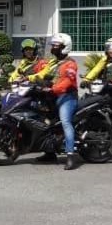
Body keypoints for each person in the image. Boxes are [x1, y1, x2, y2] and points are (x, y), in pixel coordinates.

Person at [28, 33, 79, 170]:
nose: (53, 48)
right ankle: (49, 153)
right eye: (53, 45)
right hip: (52, 97)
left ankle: (70, 156)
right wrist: (27, 79)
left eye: (56, 45)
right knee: (45, 123)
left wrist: (53, 89)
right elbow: (42, 74)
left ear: (65, 47)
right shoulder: (53, 63)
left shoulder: (70, 64)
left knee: (65, 122)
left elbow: (67, 82)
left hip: (67, 97)